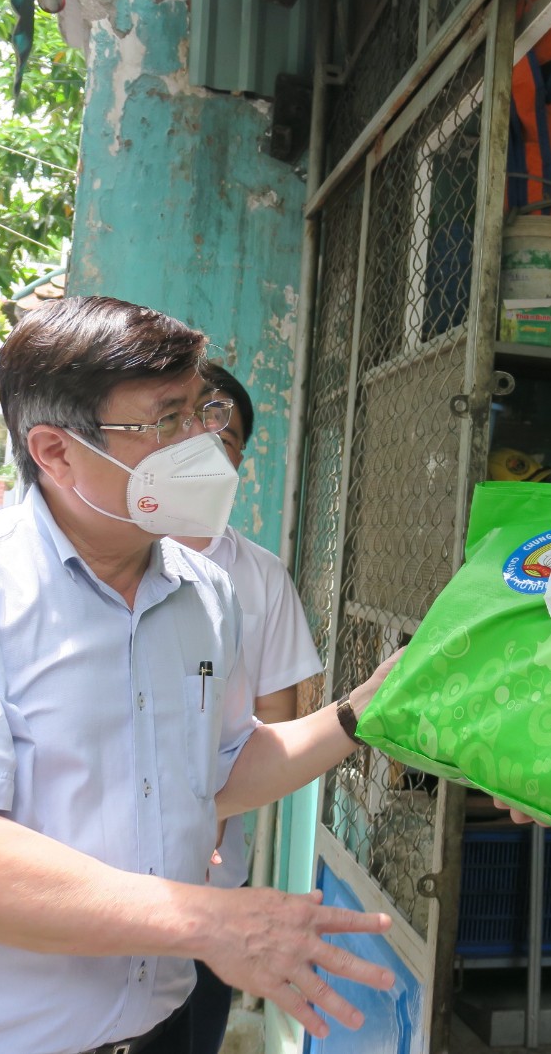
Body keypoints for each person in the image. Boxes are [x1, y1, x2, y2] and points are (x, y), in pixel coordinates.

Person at [0, 296, 397, 1054]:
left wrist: (366, 709)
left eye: (203, 411)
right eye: (165, 421)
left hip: (154, 1032)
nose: (203, 443)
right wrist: (211, 919)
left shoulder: (206, 593)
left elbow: (224, 769)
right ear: (54, 451)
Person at [173, 363, 323, 1054]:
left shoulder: (258, 577)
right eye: (180, 421)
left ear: (239, 461)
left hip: (213, 886)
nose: (200, 445)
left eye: (221, 434)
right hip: (95, 877)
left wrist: (210, 812)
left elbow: (285, 728)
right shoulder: (100, 566)